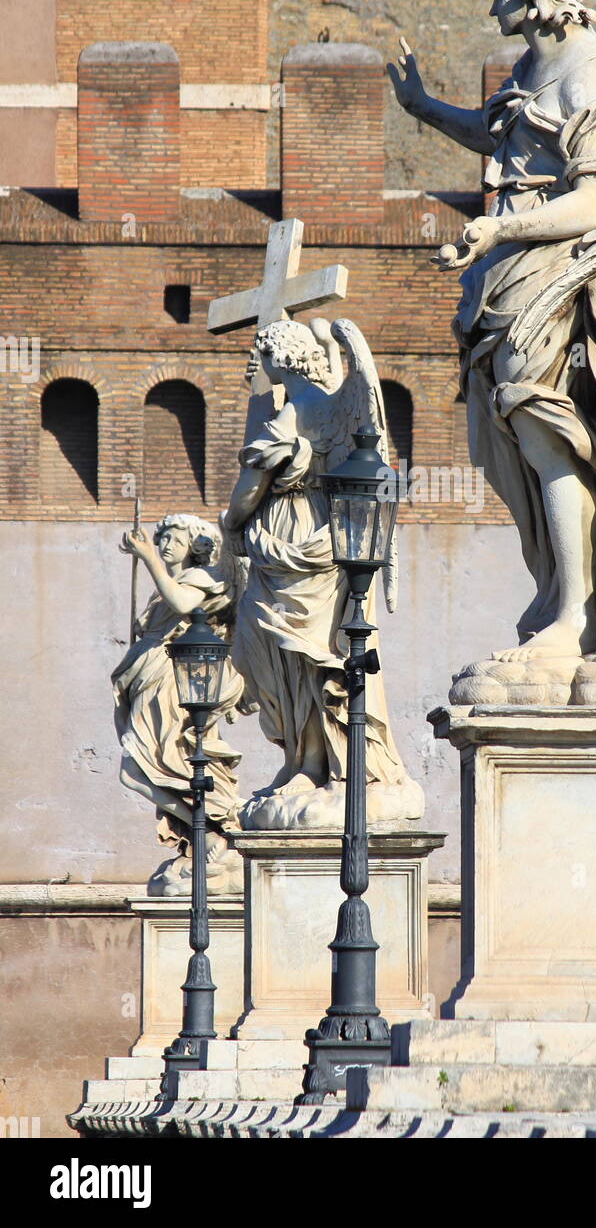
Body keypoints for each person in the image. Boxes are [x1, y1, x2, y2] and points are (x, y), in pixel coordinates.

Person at [387, 0, 596, 704]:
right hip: (511, 271)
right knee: (521, 440)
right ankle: (563, 591)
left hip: (567, 272)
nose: (491, 2)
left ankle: (572, 613)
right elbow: (508, 145)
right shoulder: (529, 70)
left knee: (547, 426)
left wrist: (499, 230)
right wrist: (425, 108)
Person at [223, 317, 423, 827]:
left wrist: (233, 521)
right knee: (305, 657)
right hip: (313, 542)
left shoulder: (294, 411)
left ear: (277, 359)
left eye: (263, 355)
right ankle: (306, 763)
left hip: (298, 541)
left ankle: (332, 765)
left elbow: (250, 482)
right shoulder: (320, 404)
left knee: (310, 657)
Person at [113, 513, 245, 893]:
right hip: (148, 677)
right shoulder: (165, 585)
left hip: (172, 682)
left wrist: (146, 558)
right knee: (139, 769)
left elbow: (185, 604)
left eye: (173, 538)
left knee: (141, 767)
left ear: (195, 545)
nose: (165, 544)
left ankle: (212, 827)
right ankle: (201, 830)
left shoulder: (199, 579)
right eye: (161, 538)